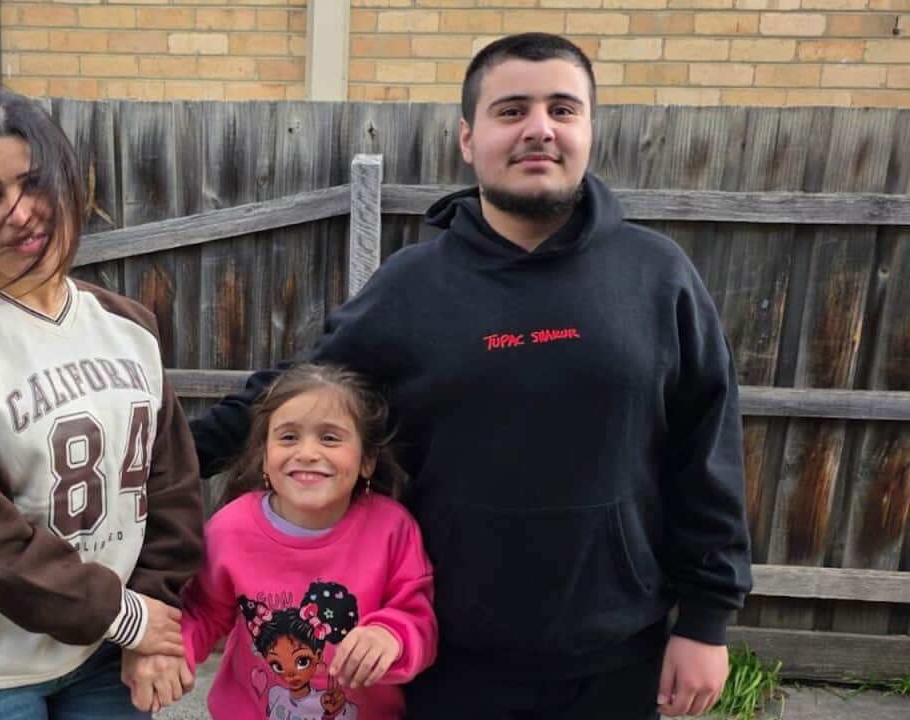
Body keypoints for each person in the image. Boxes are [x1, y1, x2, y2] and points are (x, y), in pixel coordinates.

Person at [188, 33, 753, 719]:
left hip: (617, 652)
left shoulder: (657, 276)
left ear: (589, 131)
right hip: (454, 657)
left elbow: (707, 451)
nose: (539, 128)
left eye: (563, 109)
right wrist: (166, 465)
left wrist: (706, 619)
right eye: (511, 110)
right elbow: (298, 392)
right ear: (468, 137)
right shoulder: (412, 288)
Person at [0, 91, 204, 719]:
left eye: (34, 183)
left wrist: (152, 618)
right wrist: (127, 617)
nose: (20, 213)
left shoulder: (127, 325)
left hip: (102, 655)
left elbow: (170, 486)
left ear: (70, 182)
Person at [132, 364, 437, 718]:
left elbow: (419, 619)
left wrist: (390, 636)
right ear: (264, 455)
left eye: (330, 438)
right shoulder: (230, 529)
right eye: (289, 437)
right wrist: (171, 654)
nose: (307, 452)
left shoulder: (392, 529)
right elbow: (202, 613)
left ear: (367, 460)